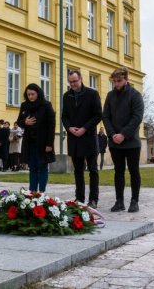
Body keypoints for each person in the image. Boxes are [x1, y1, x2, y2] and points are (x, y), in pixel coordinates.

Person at [103, 67, 144, 213]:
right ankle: (119, 201)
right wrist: (113, 134)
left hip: (131, 142)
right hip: (115, 142)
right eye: (114, 81)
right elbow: (106, 117)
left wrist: (123, 135)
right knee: (118, 172)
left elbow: (137, 117)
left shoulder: (135, 95)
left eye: (119, 81)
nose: (116, 84)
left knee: (134, 171)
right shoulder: (110, 96)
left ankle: (134, 201)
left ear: (126, 79)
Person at [62, 70, 103, 208]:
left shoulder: (92, 94)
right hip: (74, 139)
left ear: (81, 79)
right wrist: (69, 128)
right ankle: (79, 198)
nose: (73, 84)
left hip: (89, 137)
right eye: (70, 82)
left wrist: (84, 128)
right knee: (78, 170)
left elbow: (98, 115)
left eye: (75, 81)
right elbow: (64, 116)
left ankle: (93, 199)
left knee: (93, 170)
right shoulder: (66, 96)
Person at [17, 83, 56, 193]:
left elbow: (51, 126)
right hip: (29, 142)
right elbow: (19, 121)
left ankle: (42, 192)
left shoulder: (46, 105)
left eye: (32, 94)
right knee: (32, 167)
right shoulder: (24, 105)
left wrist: (49, 144)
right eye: (28, 94)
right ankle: (32, 191)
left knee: (42, 167)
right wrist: (25, 122)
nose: (30, 96)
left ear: (38, 93)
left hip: (43, 143)